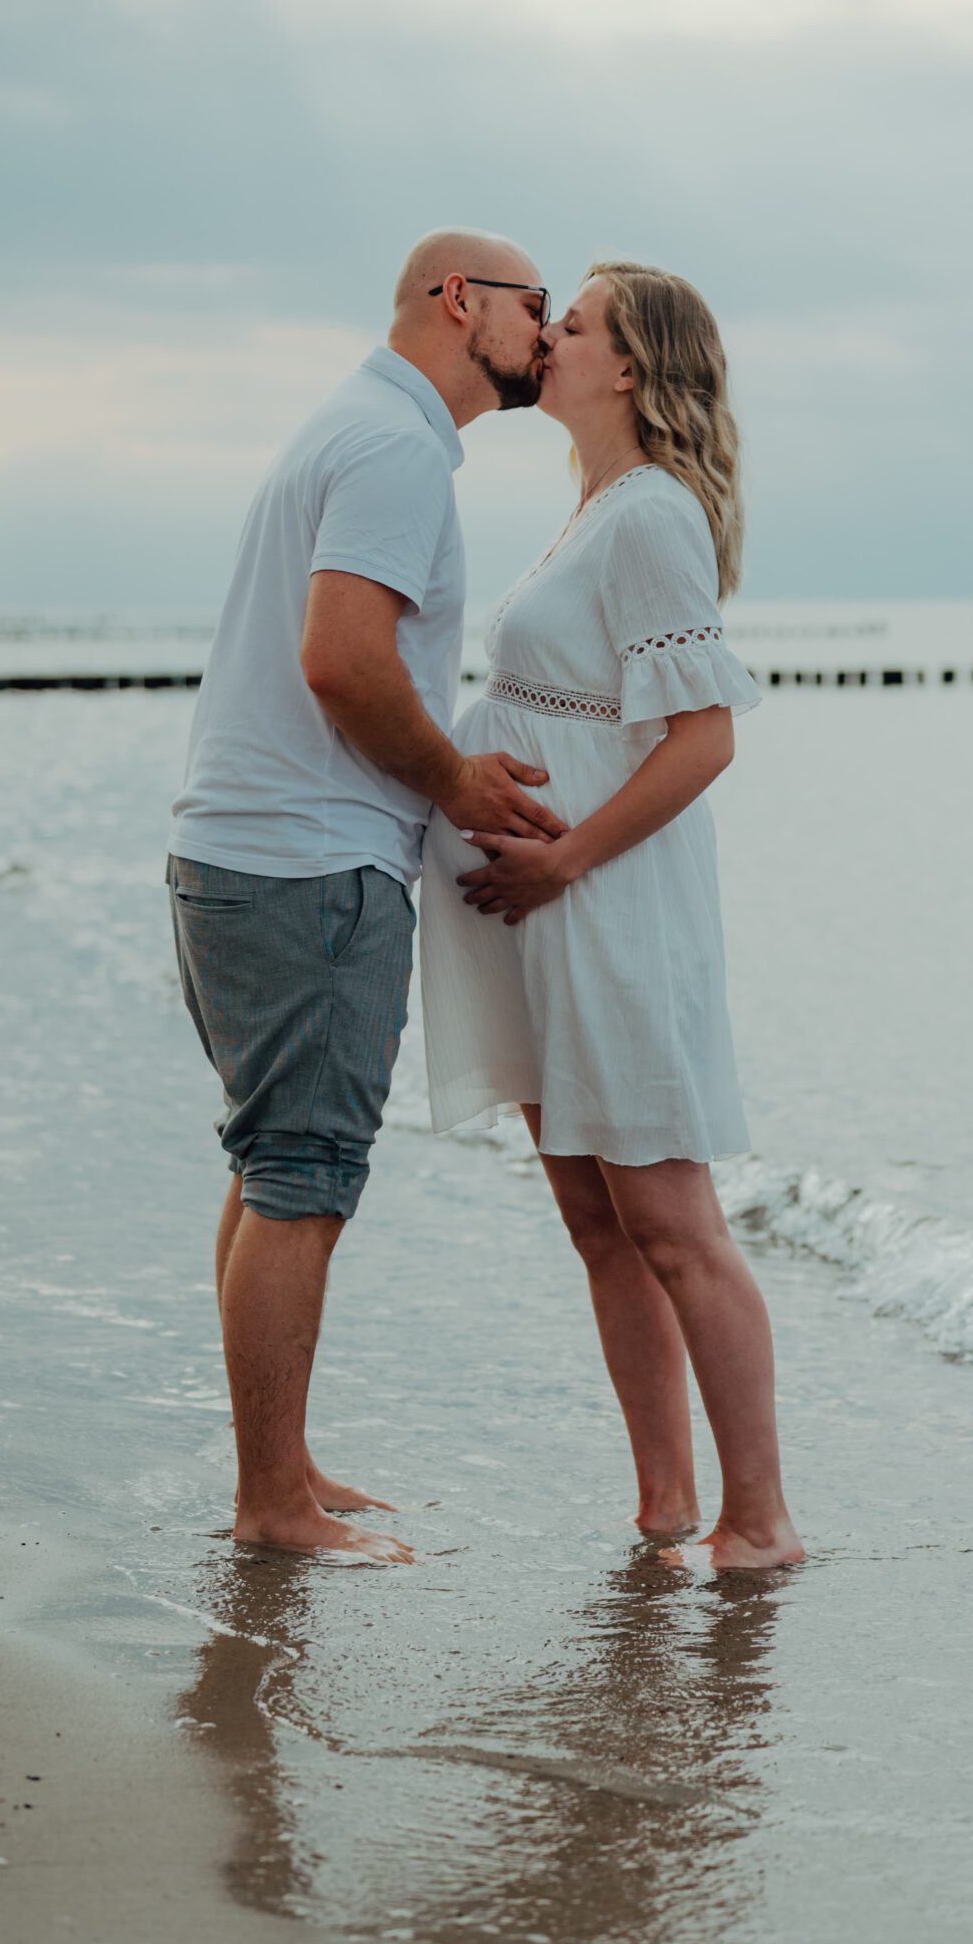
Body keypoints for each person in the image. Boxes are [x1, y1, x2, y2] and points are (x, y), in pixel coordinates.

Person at [168, 229, 563, 1562]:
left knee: (271, 1161)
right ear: (461, 302)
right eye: (534, 308)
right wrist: (454, 778)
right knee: (303, 1175)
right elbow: (342, 659)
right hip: (309, 867)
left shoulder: (354, 428)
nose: (550, 334)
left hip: (242, 855)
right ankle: (271, 1505)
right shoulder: (395, 450)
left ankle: (279, 1469)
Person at [420, 263, 804, 1571]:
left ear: (629, 367)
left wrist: (566, 859)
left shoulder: (649, 518)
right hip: (546, 907)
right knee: (599, 1221)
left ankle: (760, 1521)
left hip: (609, 905)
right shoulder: (593, 509)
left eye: (570, 326)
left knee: (673, 1224)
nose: (547, 338)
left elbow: (704, 743)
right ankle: (661, 1504)